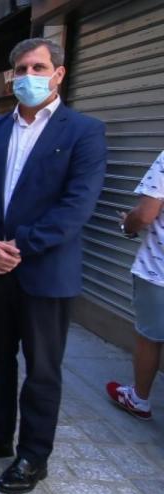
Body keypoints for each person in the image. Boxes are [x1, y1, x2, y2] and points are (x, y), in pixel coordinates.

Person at [0, 38, 107, 494]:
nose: (28, 76)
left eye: (38, 67)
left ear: (59, 73)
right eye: (20, 69)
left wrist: (15, 247)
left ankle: (33, 457)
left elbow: (77, 207)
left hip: (44, 272)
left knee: (42, 370)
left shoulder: (84, 131)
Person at [106, 149, 164, 420]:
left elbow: (145, 215)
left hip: (158, 272)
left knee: (149, 338)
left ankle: (139, 399)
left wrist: (126, 225)